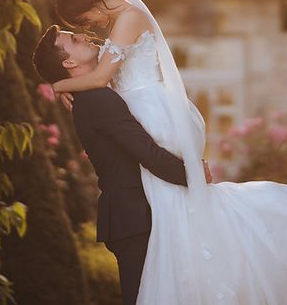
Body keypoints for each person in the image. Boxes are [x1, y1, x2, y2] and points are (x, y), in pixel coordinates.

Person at [49, 0, 287, 305]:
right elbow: (107, 82)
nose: (85, 27)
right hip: (141, 109)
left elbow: (98, 80)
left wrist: (59, 84)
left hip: (154, 112)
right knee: (175, 209)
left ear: (90, 1)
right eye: (78, 29)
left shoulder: (129, 17)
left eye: (81, 20)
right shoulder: (118, 24)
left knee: (175, 201)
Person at [32, 25, 201, 305]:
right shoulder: (98, 100)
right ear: (69, 62)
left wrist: (60, 85)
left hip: (134, 214)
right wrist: (194, 176)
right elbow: (146, 152)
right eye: (74, 39)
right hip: (133, 217)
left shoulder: (93, 95)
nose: (85, 36)